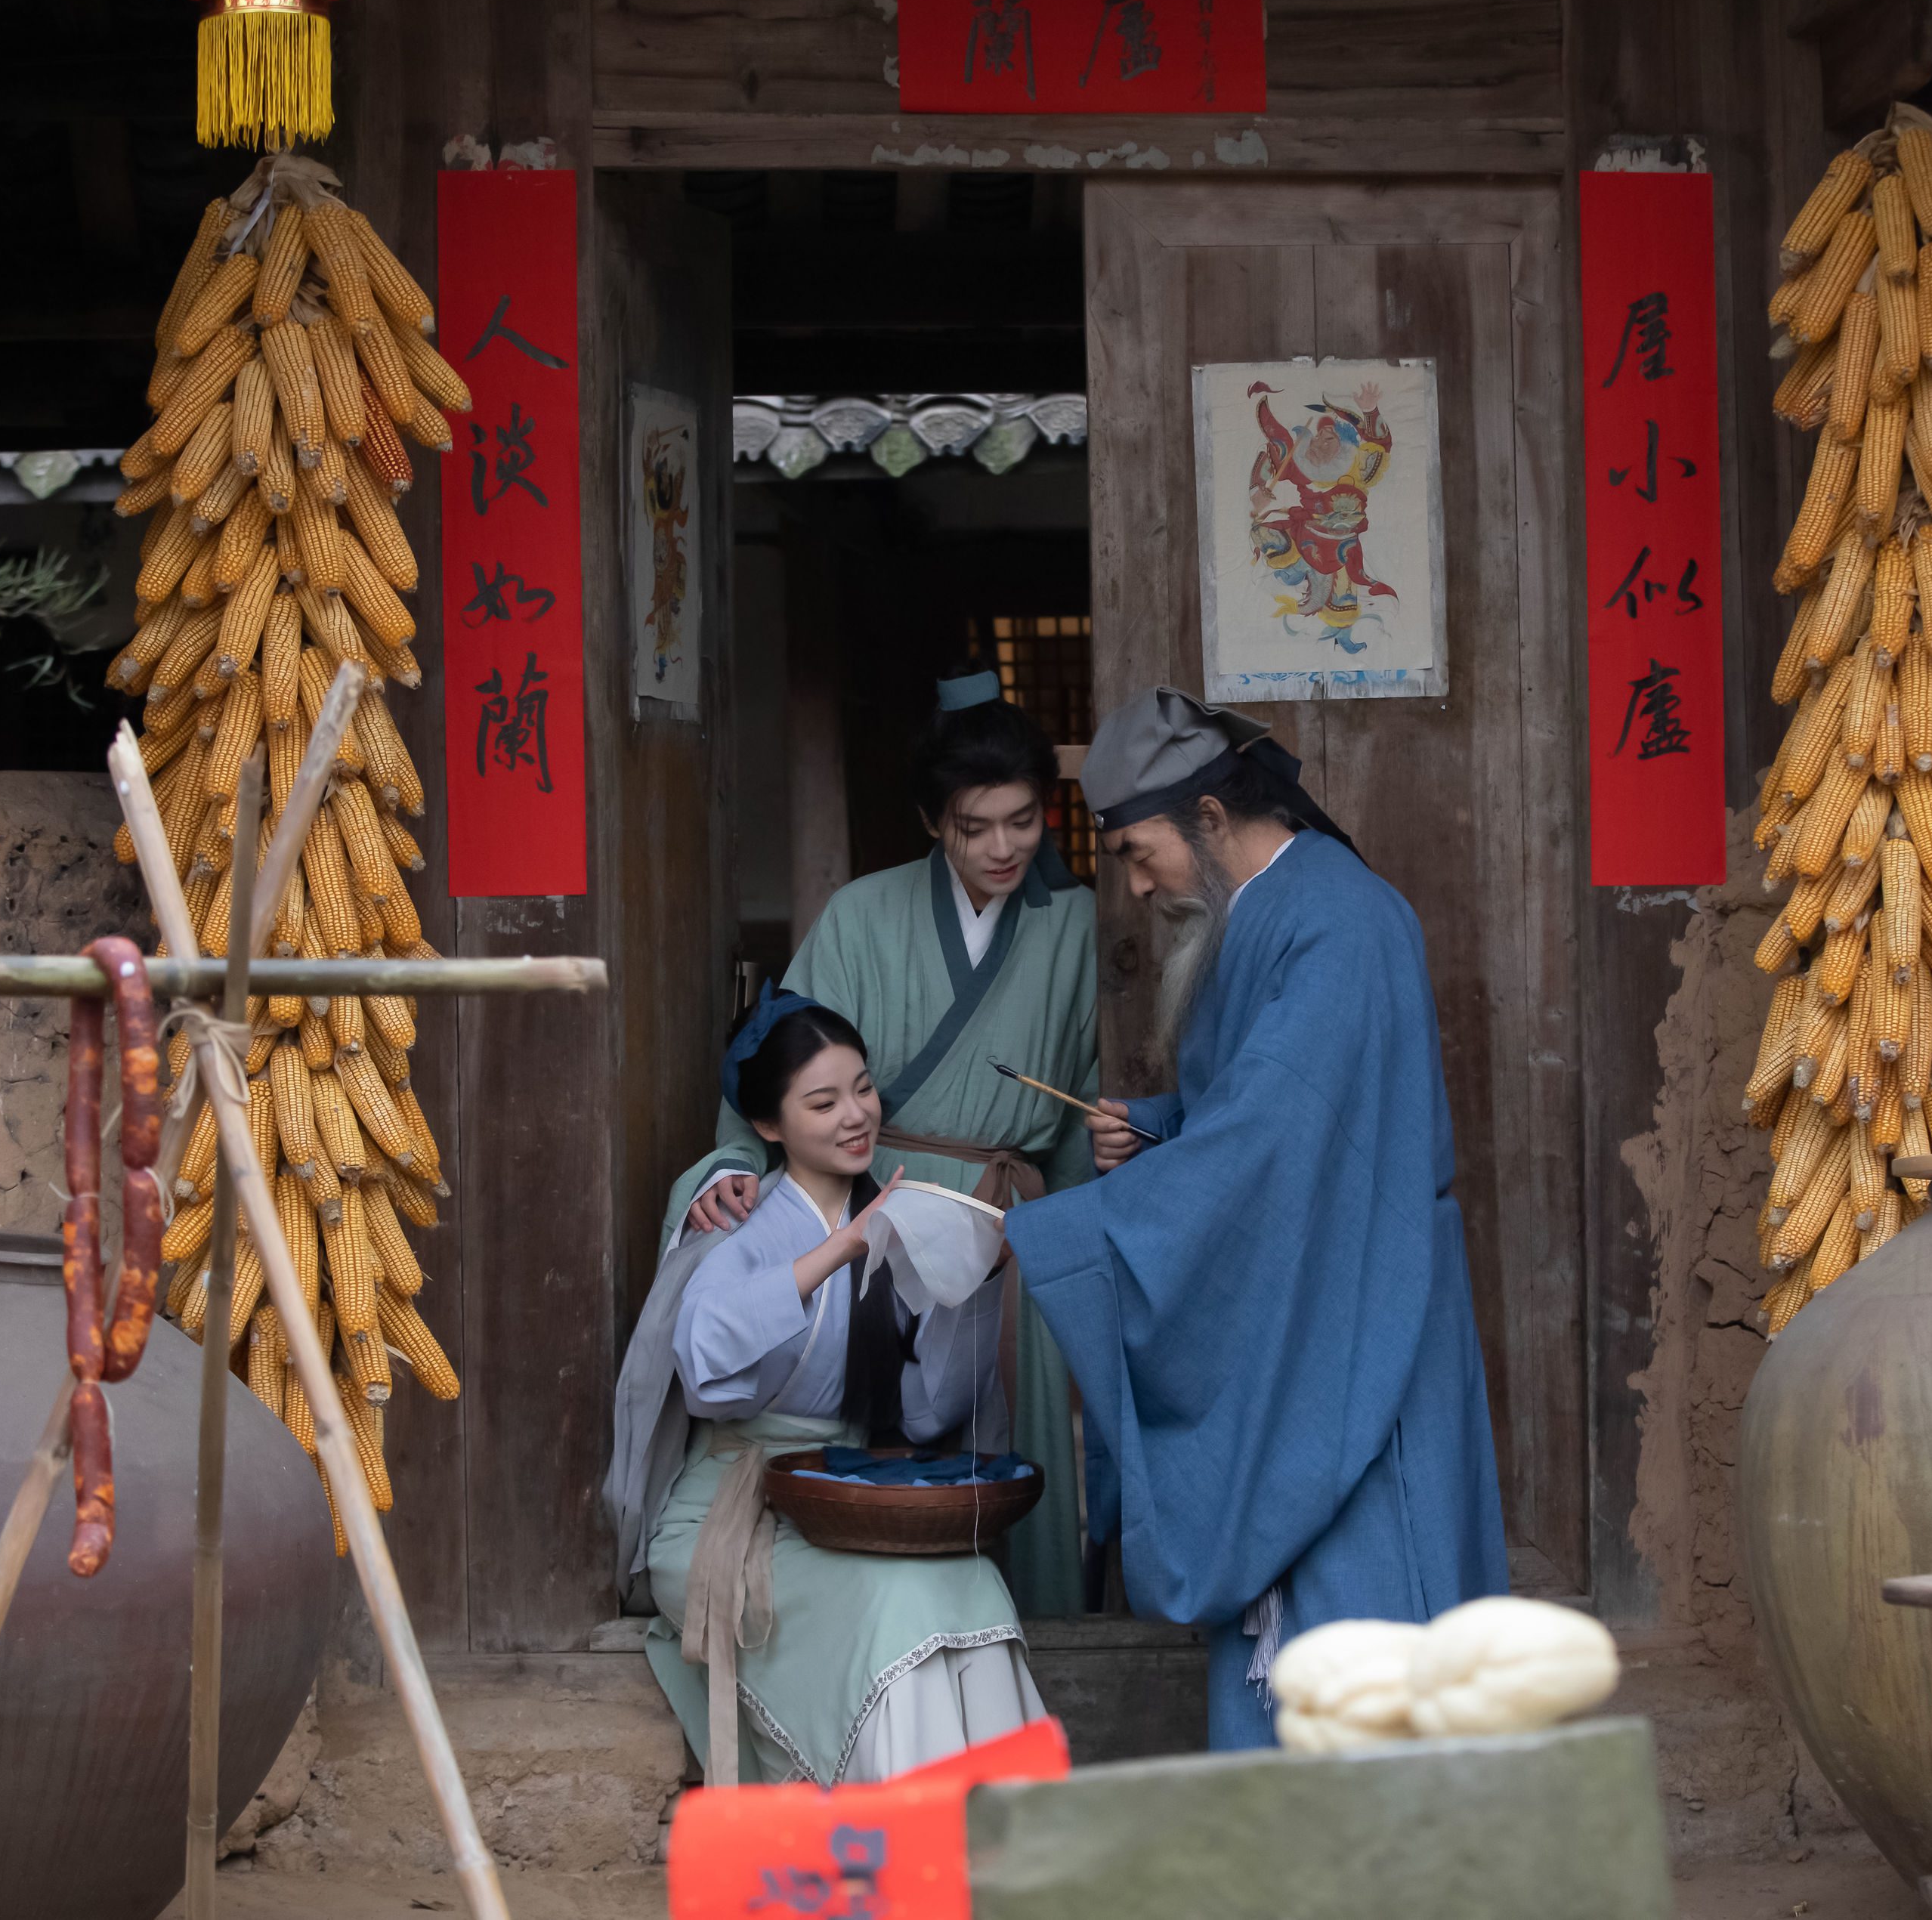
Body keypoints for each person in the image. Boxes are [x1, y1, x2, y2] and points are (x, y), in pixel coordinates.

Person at [1000, 686, 1507, 1751]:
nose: (1135, 884)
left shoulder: (1337, 920)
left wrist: (1083, 1234)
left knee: (1363, 1610)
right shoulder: (1272, 917)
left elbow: (1282, 1137)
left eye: (1141, 852)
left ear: (1214, 819)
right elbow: (1261, 1115)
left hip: (1361, 1310)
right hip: (1323, 1288)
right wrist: (1161, 1129)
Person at [660, 668, 1096, 1616]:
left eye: (1021, 822)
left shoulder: (1080, 928)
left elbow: (1078, 1114)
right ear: (932, 820)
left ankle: (1045, 1646)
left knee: (1012, 1443)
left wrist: (1088, 1212)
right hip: (881, 1208)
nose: (1000, 847)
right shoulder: (862, 913)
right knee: (888, 1437)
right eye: (973, 826)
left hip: (1011, 1217)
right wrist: (735, 1166)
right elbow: (790, 1067)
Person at [606, 989, 1046, 1786]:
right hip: (724, 1518)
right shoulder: (734, 1220)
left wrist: (971, 1284)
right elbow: (706, 1366)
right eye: (822, 1101)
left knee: (969, 1580)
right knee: (895, 1604)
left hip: (839, 1506)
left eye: (863, 1089)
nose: (855, 1115)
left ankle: (992, 1842)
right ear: (769, 1126)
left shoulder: (891, 1221)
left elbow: (927, 1411)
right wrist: (840, 1249)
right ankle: (894, 1838)